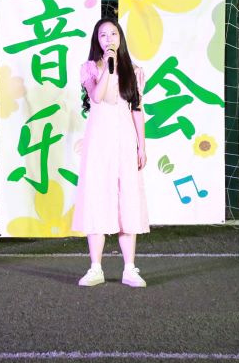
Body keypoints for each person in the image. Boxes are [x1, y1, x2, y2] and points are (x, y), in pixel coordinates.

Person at [71, 17, 149, 288]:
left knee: (127, 197)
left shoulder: (135, 71)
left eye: (113, 34)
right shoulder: (90, 68)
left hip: (125, 140)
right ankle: (96, 268)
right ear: (97, 41)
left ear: (120, 37)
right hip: (98, 141)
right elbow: (98, 96)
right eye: (103, 35)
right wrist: (107, 66)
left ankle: (130, 268)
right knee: (97, 197)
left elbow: (137, 109)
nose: (109, 39)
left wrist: (142, 146)